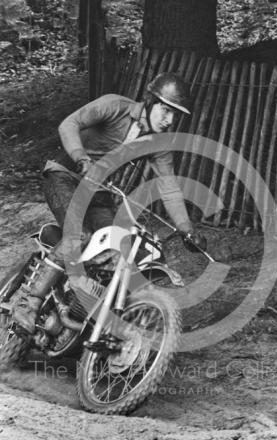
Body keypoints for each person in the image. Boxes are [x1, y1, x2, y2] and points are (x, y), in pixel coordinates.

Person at [12, 73, 206, 334]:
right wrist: (81, 158)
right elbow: (69, 124)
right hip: (64, 176)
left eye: (175, 114)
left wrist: (186, 228)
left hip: (98, 191)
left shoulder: (159, 143)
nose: (170, 120)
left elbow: (169, 188)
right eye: (165, 110)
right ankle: (28, 302)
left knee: (119, 247)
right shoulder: (114, 106)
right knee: (79, 234)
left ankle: (84, 314)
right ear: (149, 101)